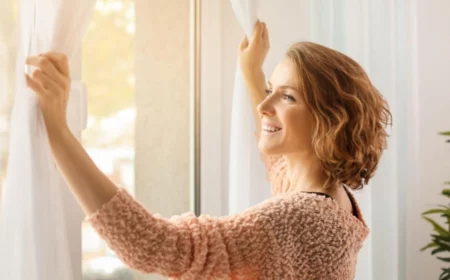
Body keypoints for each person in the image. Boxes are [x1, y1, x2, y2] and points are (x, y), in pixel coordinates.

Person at [25, 20, 391, 279]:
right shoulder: (332, 197)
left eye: (288, 96)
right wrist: (252, 75)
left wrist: (59, 131)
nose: (265, 106)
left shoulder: (295, 218)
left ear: (329, 121)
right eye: (270, 89)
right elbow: (278, 163)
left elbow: (152, 244)